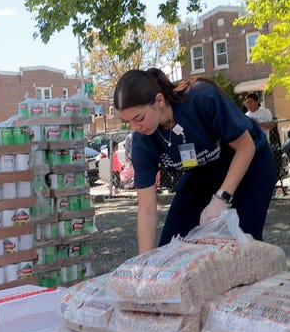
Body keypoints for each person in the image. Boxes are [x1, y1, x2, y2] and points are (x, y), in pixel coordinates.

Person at [114, 68, 276, 253]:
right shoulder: (142, 141)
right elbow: (147, 211)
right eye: (129, 122)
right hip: (202, 174)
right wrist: (146, 263)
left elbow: (246, 147)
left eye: (139, 118)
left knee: (240, 247)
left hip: (251, 164)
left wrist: (221, 199)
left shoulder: (201, 98)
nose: (135, 127)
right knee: (170, 249)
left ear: (159, 100)